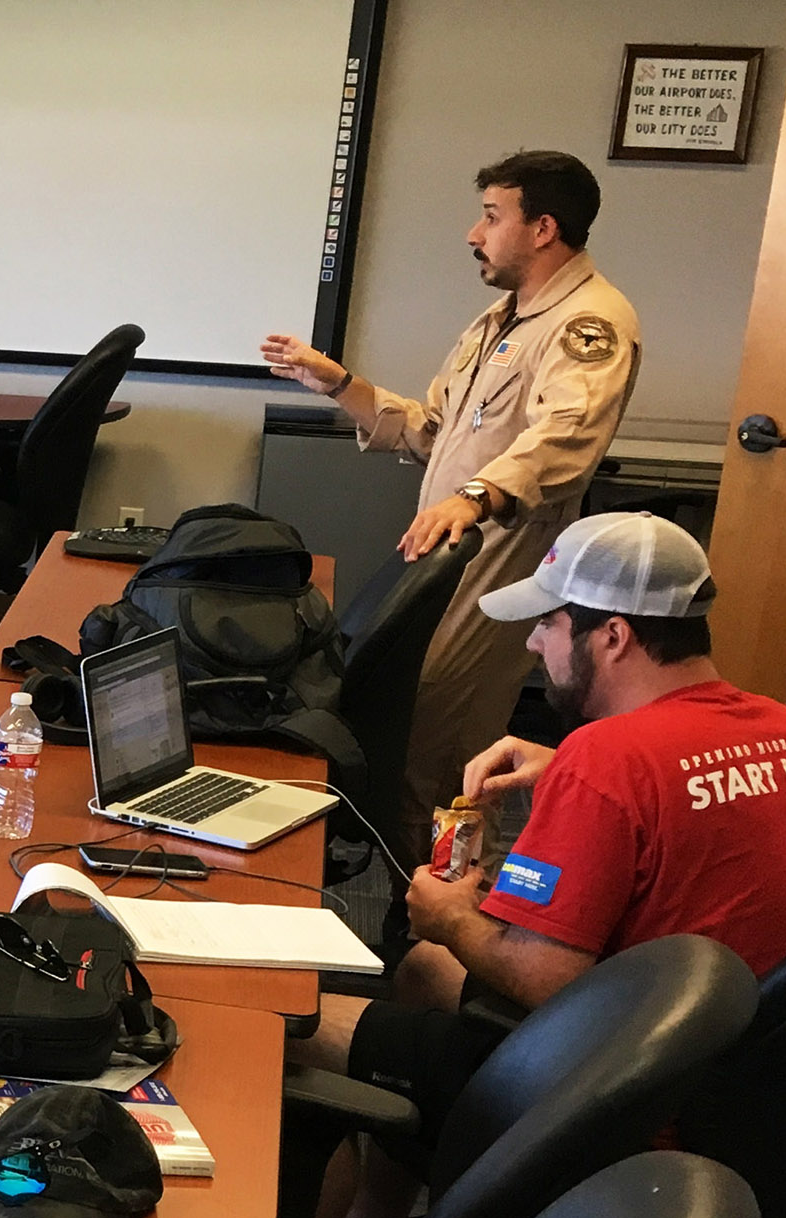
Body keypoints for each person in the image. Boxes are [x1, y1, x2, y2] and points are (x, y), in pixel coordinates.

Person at [299, 513, 786, 1218]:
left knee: (290, 1029)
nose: (532, 643)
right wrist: (570, 770)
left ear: (612, 636)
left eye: (548, 624)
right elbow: (688, 803)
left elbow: (549, 976)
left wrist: (451, 916)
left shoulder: (609, 761)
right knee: (426, 973)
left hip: (622, 1092)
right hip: (739, 1080)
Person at [258, 149, 642, 859]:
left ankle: (455, 929)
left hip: (500, 561)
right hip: (445, 555)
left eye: (493, 217)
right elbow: (431, 429)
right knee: (415, 740)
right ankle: (432, 914)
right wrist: (340, 383)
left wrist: (475, 496)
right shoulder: (499, 320)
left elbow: (566, 434)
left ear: (543, 228)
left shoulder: (590, 324)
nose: (475, 233)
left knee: (446, 756)